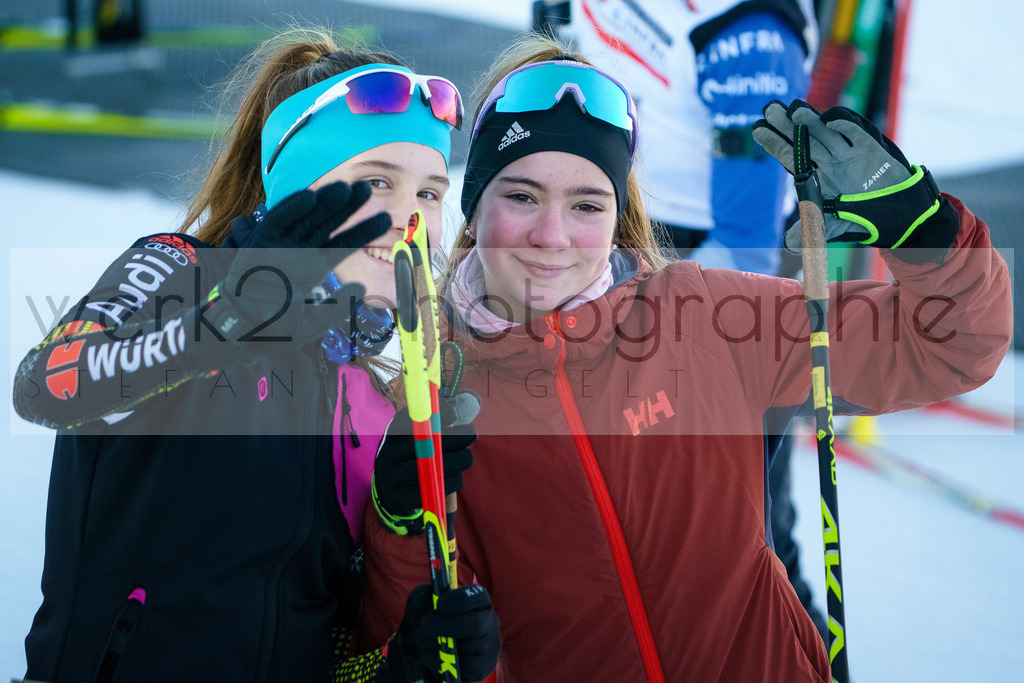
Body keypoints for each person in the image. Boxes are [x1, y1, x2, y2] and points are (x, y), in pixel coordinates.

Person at [357, 34, 1012, 681]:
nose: (551, 236)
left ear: (617, 216)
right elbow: (417, 642)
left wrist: (921, 227)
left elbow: (948, 342)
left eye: (586, 204)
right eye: (521, 196)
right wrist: (400, 522)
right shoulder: (434, 394)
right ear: (477, 206)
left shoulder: (706, 317)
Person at [12, 27, 499, 683]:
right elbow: (47, 385)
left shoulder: (374, 391)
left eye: (430, 192)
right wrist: (232, 315)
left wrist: (404, 660)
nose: (407, 219)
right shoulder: (182, 268)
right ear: (297, 191)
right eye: (376, 182)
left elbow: (317, 641)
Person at [532, 0, 829, 637]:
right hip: (602, 248)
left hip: (703, 288)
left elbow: (747, 243)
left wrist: (632, 330)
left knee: (742, 545)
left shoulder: (749, 32)